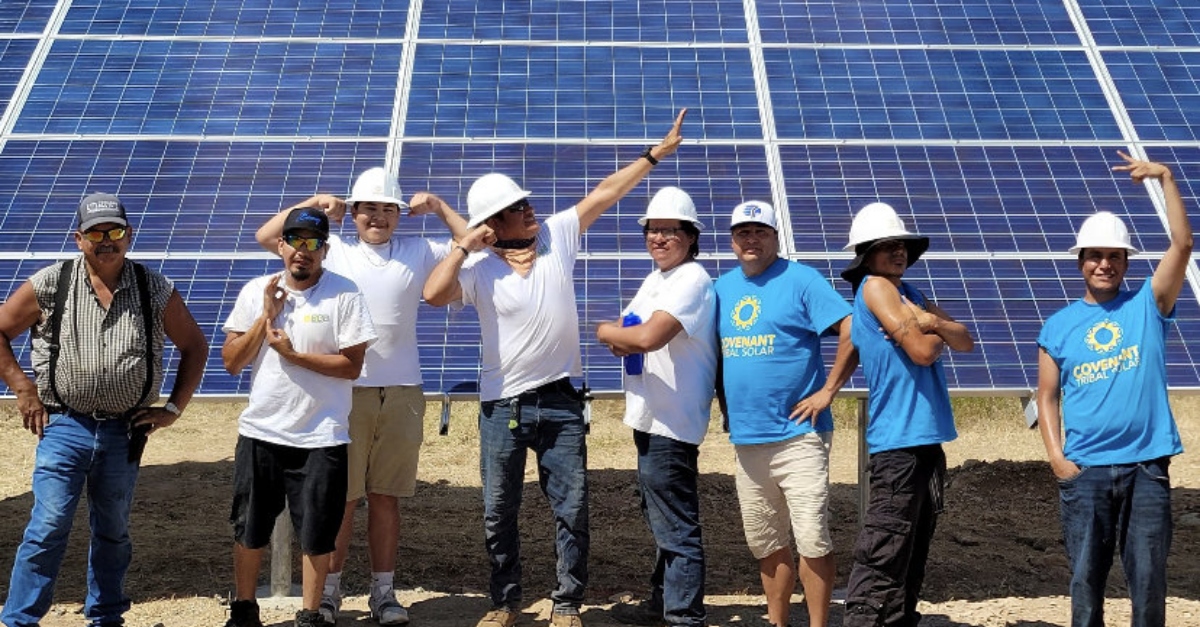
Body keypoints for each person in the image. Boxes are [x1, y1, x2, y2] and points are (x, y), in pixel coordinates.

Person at [423, 109, 687, 627]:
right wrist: (462, 245)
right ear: (492, 226)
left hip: (563, 400)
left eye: (525, 202)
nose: (529, 209)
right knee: (499, 510)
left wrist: (655, 154)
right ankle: (504, 602)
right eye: (516, 208)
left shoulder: (557, 239)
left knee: (572, 509)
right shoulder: (478, 272)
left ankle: (567, 602)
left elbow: (606, 193)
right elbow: (433, 294)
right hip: (502, 407)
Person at [256, 167, 468, 625]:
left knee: (386, 496)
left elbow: (472, 245)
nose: (378, 217)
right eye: (368, 208)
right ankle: (329, 592)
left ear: (399, 215)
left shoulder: (418, 250)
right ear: (352, 213)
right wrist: (313, 201)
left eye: (387, 209)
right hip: (343, 391)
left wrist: (441, 208)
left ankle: (383, 592)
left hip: (402, 389)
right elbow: (266, 236)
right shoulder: (335, 254)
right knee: (342, 499)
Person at [0, 192, 208, 627]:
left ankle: (106, 617)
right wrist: (23, 388)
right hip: (64, 427)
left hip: (123, 432)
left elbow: (194, 346)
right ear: (78, 239)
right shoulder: (50, 284)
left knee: (113, 530)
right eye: (96, 232)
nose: (106, 240)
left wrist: (173, 407)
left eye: (114, 231)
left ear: (129, 235)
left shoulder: (155, 289)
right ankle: (20, 619)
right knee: (48, 525)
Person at [1036, 152, 1191, 627]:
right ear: (1081, 262)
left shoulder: (1148, 304)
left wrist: (1165, 178)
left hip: (1146, 467)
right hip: (1085, 473)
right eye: (1096, 256)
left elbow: (1182, 245)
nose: (1105, 264)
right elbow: (1046, 397)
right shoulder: (1058, 326)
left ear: (1126, 262)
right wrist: (1057, 459)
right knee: (1086, 584)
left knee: (1148, 584)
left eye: (1114, 256)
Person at [221, 207, 377, 627]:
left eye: (312, 243)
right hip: (262, 430)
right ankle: (244, 609)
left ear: (324, 250)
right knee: (249, 525)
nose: (302, 252)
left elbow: (351, 366)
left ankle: (310, 614)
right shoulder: (257, 290)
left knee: (316, 534)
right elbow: (231, 361)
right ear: (281, 246)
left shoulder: (345, 294)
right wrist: (264, 318)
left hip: (321, 435)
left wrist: (293, 356)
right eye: (294, 241)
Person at [713, 200, 858, 627]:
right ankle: (777, 621)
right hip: (747, 438)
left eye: (760, 232)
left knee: (812, 536)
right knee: (765, 540)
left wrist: (828, 390)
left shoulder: (802, 280)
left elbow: (851, 329)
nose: (751, 239)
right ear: (733, 240)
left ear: (775, 237)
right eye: (743, 232)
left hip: (800, 433)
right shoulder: (721, 289)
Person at [838, 202, 974, 627]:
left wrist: (929, 320)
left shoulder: (911, 295)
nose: (898, 253)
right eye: (886, 246)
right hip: (898, 442)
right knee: (886, 544)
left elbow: (966, 340)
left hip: (926, 440)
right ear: (866, 253)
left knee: (913, 545)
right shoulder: (876, 287)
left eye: (902, 246)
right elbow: (922, 350)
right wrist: (933, 334)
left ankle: (897, 620)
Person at [595, 187, 716, 627]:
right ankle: (662, 602)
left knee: (677, 525)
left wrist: (603, 329)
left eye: (670, 231)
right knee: (662, 517)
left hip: (672, 422)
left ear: (690, 237)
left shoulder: (691, 280)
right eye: (653, 230)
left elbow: (645, 337)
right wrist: (619, 334)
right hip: (650, 416)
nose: (659, 238)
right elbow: (627, 338)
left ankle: (684, 616)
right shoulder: (657, 281)